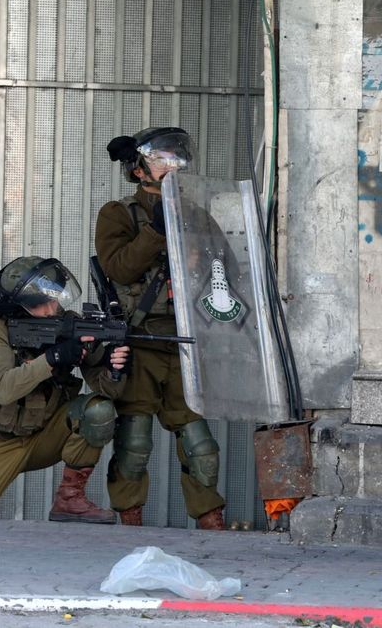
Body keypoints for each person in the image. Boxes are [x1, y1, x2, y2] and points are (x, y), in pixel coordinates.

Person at [94, 127, 226, 530]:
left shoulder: (196, 215)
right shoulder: (118, 214)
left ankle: (211, 522)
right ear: (138, 171)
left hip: (186, 342)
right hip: (140, 341)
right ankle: (129, 521)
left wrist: (196, 262)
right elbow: (118, 267)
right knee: (134, 442)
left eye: (176, 160)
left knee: (200, 444)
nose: (172, 166)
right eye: (161, 160)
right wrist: (156, 231)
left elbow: (226, 273)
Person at [0, 256, 129, 523]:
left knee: (98, 411)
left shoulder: (67, 324)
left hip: (45, 435)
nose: (53, 309)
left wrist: (114, 368)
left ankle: (69, 499)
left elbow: (107, 390)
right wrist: (52, 359)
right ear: (20, 305)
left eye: (54, 300)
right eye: (42, 304)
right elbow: (4, 389)